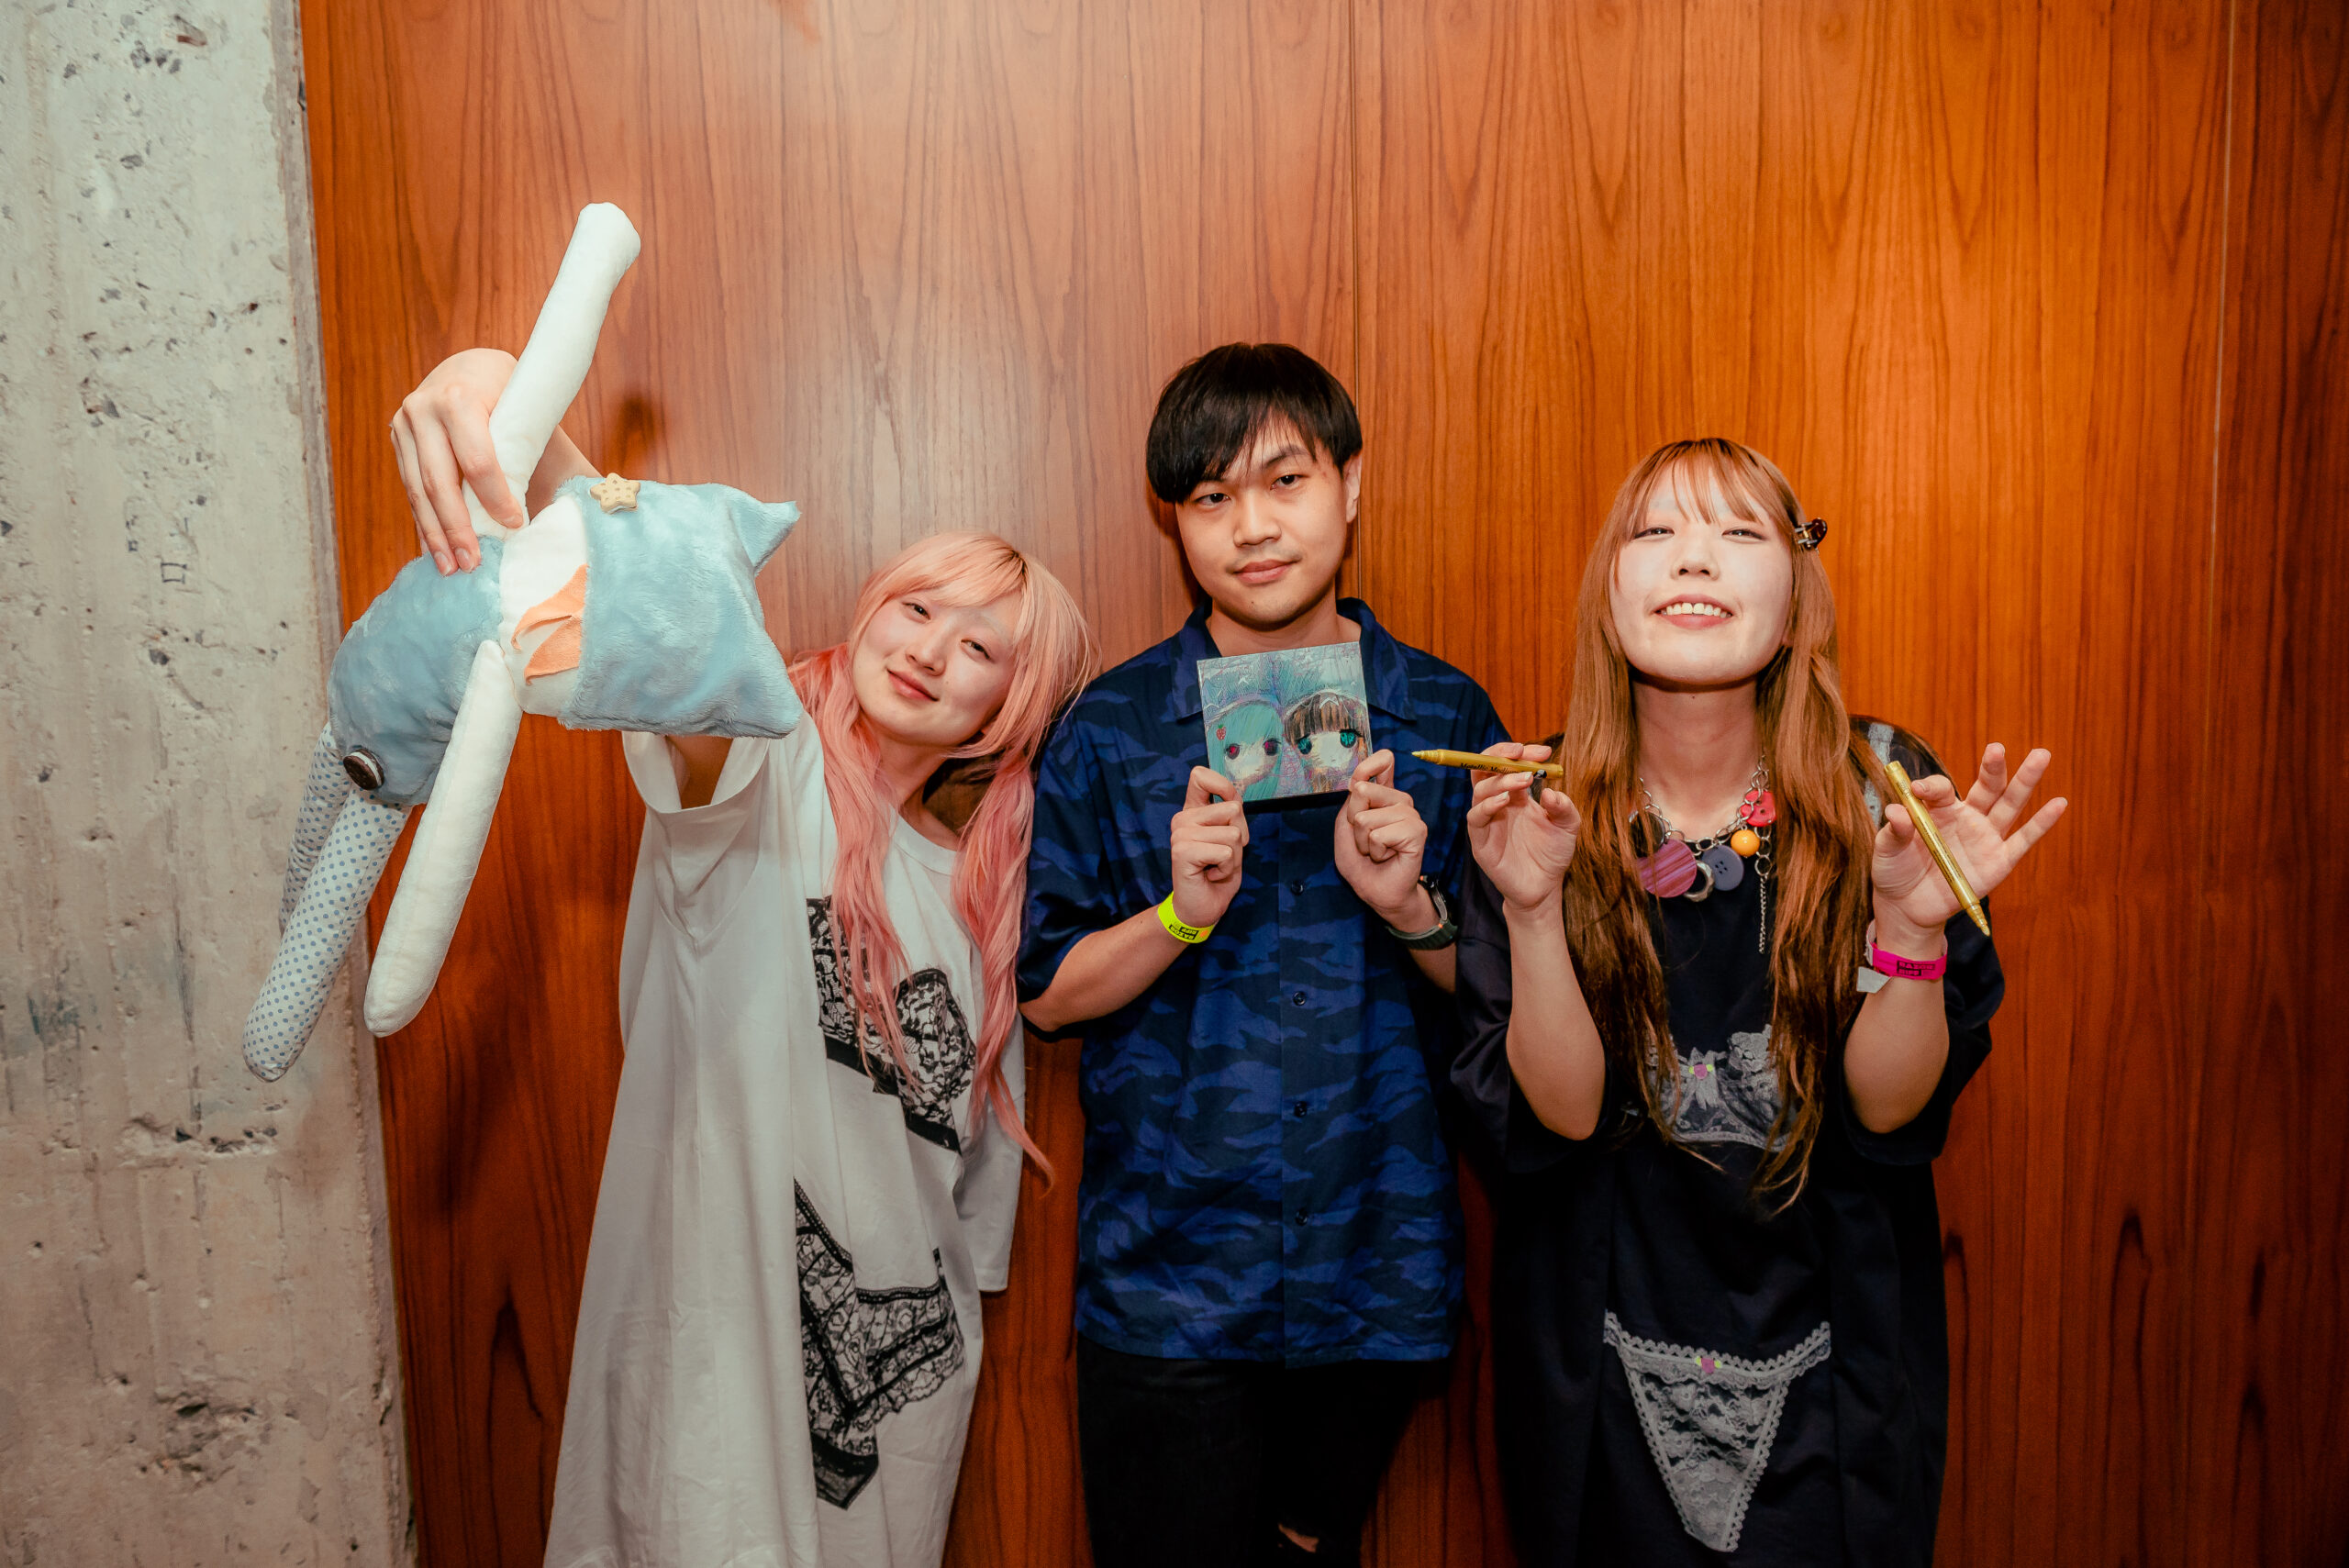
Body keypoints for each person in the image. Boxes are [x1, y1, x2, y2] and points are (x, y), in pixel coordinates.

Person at [388, 350, 1095, 1568]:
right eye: (918, 607)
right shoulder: (759, 751)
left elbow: (971, 1211)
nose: (932, 649)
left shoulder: (981, 892)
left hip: (900, 1399)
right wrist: (507, 386)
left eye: (981, 646)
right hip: (716, 1358)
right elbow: (653, 588)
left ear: (1008, 707)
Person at [1451, 437, 2066, 1566]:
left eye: (1738, 533)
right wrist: (1532, 911)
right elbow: (1564, 1114)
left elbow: (1890, 1110)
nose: (1694, 558)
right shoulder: (1529, 803)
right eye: (1655, 532)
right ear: (1607, 596)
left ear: (1795, 603)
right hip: (1597, 1363)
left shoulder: (1880, 790)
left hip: (1837, 1365)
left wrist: (1911, 930)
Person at [1017, 343, 1507, 1567]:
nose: (1252, 527)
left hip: (1374, 1272)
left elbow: (1505, 998)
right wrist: (1180, 913)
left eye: (1286, 480)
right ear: (1174, 520)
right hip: (1169, 1286)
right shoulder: (1110, 728)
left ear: (1351, 483)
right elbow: (1046, 998)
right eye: (1211, 496)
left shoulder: (1445, 718)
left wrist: (1410, 908)